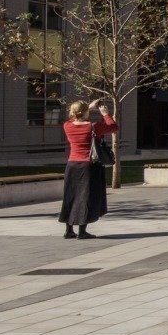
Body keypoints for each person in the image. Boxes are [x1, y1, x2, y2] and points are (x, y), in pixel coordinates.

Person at [59, 99, 119, 239]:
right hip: (89, 165)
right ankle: (82, 231)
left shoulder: (67, 126)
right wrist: (105, 114)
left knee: (71, 196)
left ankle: (68, 229)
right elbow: (113, 127)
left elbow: (74, 118)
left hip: (72, 165)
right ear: (85, 112)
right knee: (86, 197)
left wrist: (88, 108)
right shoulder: (94, 127)